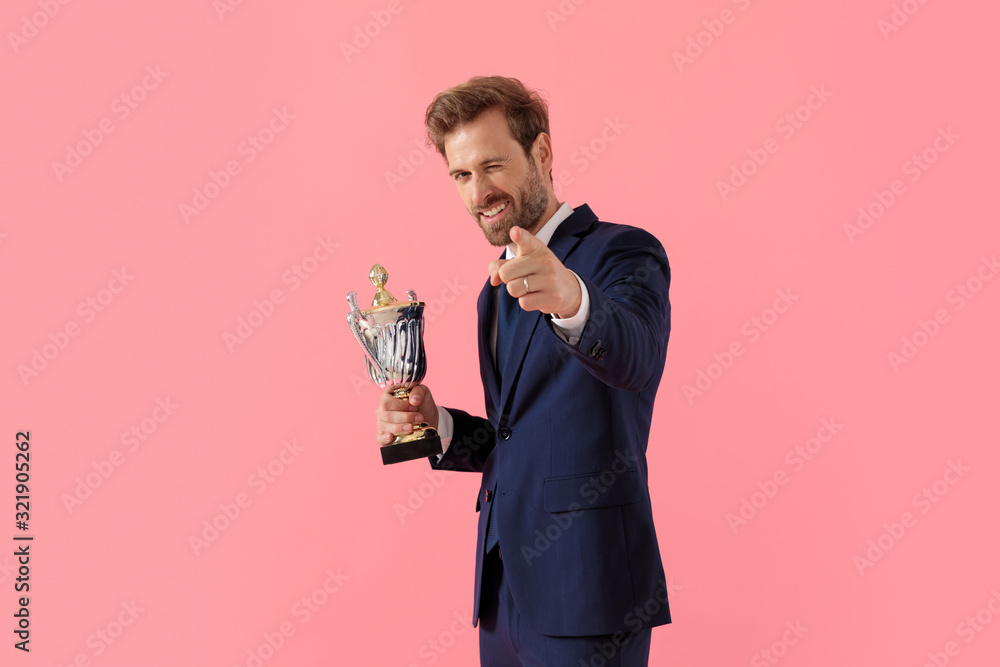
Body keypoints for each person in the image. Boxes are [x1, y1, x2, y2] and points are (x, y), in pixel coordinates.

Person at [375, 75, 672, 667]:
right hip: (504, 595)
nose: (478, 191)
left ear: (541, 152)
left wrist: (573, 300)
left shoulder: (624, 252)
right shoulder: (495, 291)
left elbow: (636, 356)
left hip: (590, 594)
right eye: (461, 175)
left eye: (492, 165)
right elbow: (519, 437)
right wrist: (442, 426)